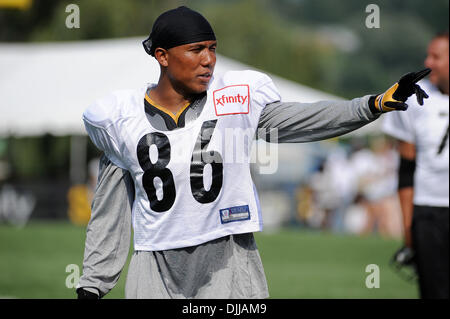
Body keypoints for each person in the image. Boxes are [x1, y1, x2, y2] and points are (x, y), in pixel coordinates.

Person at [76, 6, 430, 299]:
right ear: (162, 56)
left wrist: (372, 105)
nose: (208, 60)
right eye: (196, 49)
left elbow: (304, 119)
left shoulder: (234, 97)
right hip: (154, 262)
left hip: (227, 257)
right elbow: (110, 208)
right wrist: (93, 285)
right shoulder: (120, 117)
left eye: (212, 48)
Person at [383, 32, 449, 299]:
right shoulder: (415, 100)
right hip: (429, 211)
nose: (427, 61)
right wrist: (409, 227)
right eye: (428, 54)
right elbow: (405, 171)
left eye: (437, 56)